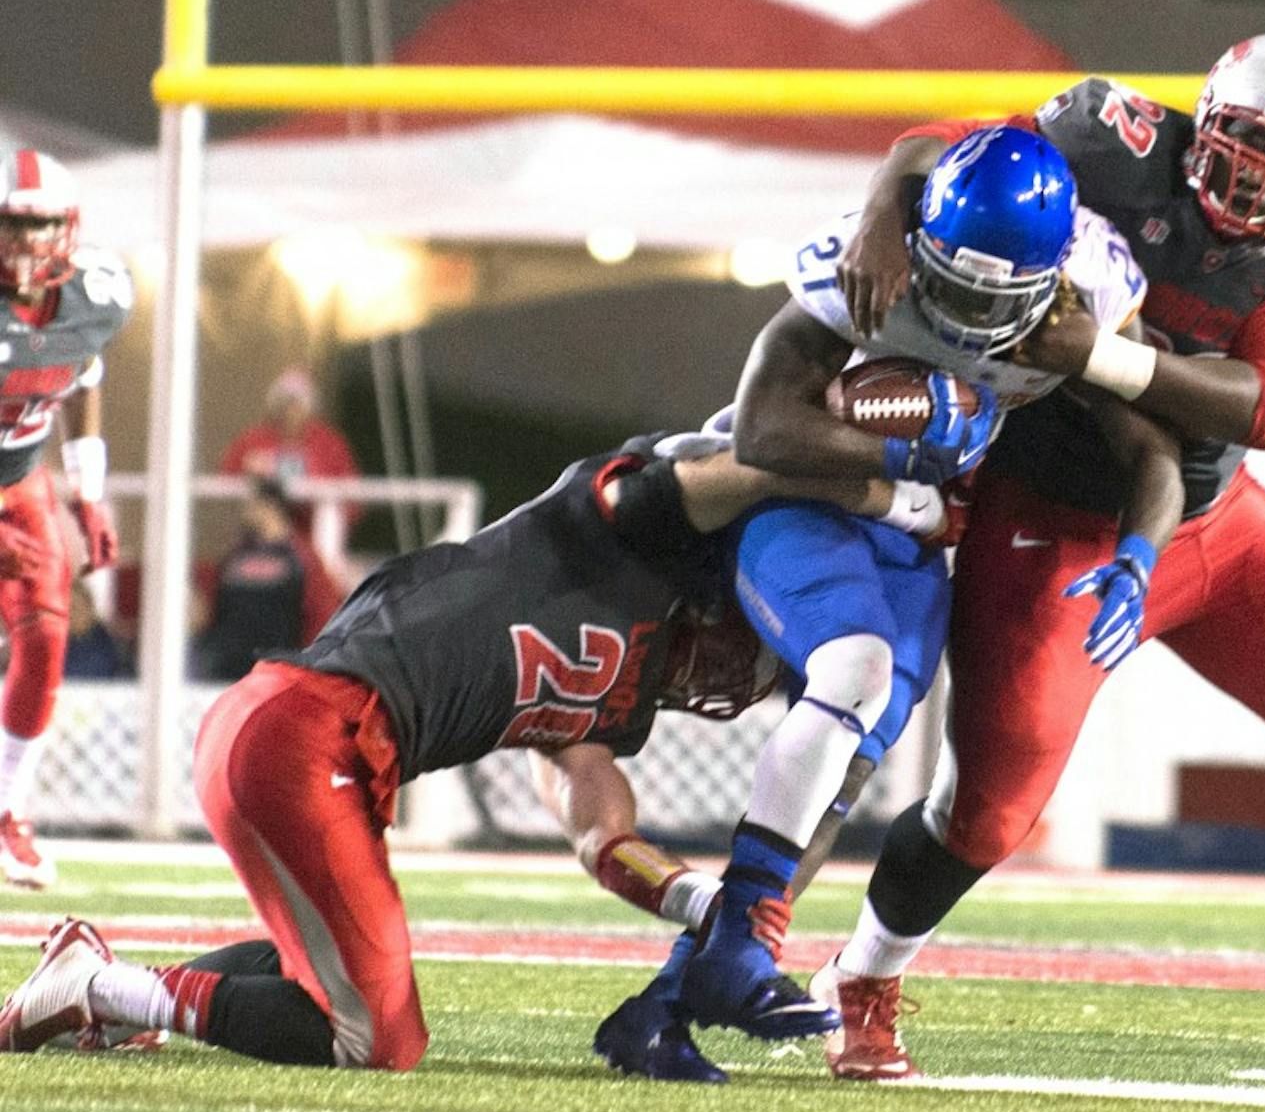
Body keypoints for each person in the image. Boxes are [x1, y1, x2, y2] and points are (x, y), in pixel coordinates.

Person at [809, 31, 1265, 1082]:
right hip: (1050, 513)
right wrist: (877, 218)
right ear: (1199, 125)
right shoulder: (1109, 141)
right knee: (990, 809)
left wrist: (1099, 351)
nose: (1257, 182)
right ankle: (859, 974)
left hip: (1208, 521)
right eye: (1242, 148)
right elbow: (936, 148)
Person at [0, 435, 927, 1069]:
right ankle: (99, 988)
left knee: (344, 984)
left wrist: (699, 901)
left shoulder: (627, 689)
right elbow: (749, 467)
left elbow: (598, 834)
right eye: (747, 643)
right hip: (305, 728)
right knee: (377, 1038)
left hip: (309, 743)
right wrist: (881, 491)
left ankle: (99, 973)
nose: (737, 671)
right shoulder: (619, 533)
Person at [599, 125, 1186, 1082]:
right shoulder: (869, 264)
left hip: (920, 534)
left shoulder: (1086, 297)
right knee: (856, 671)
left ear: (1050, 278)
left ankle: (671, 1001)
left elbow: (1155, 449)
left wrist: (1140, 553)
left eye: (993, 297)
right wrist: (901, 452)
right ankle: (736, 952)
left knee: (848, 770)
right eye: (949, 279)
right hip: (803, 497)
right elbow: (762, 429)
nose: (962, 310)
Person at [0, 148, 130, 890]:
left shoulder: (92, 296)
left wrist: (87, 492)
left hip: (21, 483)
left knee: (47, 635)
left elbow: (82, 376)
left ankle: (6, 809)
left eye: (41, 224)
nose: (26, 244)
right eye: (11, 227)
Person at [190, 478, 343, 682]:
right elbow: (214, 604)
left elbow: (321, 611)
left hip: (277, 668)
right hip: (229, 667)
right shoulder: (237, 554)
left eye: (252, 503)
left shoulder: (301, 557)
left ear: (270, 506)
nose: (246, 509)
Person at [218, 366, 361, 532]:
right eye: (285, 403)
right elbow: (226, 478)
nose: (291, 411)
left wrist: (287, 469)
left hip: (314, 535)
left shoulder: (329, 443)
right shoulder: (253, 440)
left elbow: (352, 501)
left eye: (298, 404)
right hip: (263, 533)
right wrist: (249, 468)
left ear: (310, 408)